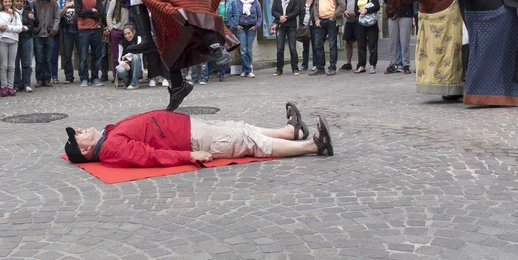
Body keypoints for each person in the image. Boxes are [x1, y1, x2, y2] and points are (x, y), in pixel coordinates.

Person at [64, 103, 333, 167]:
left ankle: (291, 132)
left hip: (186, 128)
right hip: (188, 139)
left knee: (240, 128)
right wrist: (188, 155)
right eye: (78, 136)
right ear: (86, 151)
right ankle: (313, 146)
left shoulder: (108, 137)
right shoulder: (110, 148)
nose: (80, 130)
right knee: (246, 142)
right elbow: (149, 156)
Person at [310, 0, 346, 76]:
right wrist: (316, 18)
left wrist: (334, 16)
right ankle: (320, 67)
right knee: (317, 44)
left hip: (331, 20)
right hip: (321, 20)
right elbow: (316, 6)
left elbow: (342, 5)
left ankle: (332, 67)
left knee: (332, 44)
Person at [384, 0, 414, 75]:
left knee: (404, 40)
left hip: (406, 12)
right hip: (393, 13)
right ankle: (392, 63)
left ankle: (406, 64)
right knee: (393, 40)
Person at [75, 0, 104, 87]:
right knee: (83, 57)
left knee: (97, 56)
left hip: (96, 29)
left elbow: (100, 14)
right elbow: (79, 13)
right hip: (83, 30)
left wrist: (87, 12)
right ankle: (84, 78)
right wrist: (92, 10)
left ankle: (95, 77)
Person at [0, 0, 28, 97]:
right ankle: (3, 87)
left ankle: (10, 87)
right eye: (5, 2)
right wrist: (11, 25)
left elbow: (19, 28)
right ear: (2, 3)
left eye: (9, 1)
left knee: (12, 65)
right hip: (3, 40)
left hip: (14, 40)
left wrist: (11, 23)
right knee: (4, 65)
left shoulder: (16, 14)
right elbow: (1, 26)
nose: (8, 4)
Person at [32, 0, 60, 88]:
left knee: (48, 58)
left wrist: (54, 30)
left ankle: (47, 78)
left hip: (49, 34)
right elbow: (31, 17)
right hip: (38, 34)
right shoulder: (34, 2)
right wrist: (35, 29)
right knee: (39, 59)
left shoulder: (53, 2)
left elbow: (57, 17)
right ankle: (39, 79)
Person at [272, 0, 301, 76]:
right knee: (280, 48)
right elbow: (273, 10)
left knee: (292, 48)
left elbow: (297, 11)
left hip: (291, 26)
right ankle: (279, 69)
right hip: (281, 25)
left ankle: (295, 68)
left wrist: (287, 17)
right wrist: (280, 17)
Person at [381, 0, 404, 71]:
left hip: (403, 10)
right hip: (392, 10)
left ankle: (401, 62)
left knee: (402, 38)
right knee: (394, 38)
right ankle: (394, 62)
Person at [353, 0, 380, 74]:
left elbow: (376, 6)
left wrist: (366, 10)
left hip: (371, 23)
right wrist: (359, 11)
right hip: (360, 23)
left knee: (372, 44)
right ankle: (361, 65)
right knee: (361, 45)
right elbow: (355, 10)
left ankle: (373, 65)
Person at [236, 0, 263, 78]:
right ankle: (247, 70)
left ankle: (247, 70)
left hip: (251, 28)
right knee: (243, 50)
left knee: (248, 49)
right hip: (241, 28)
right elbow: (234, 15)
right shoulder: (238, 2)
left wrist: (256, 26)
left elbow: (260, 16)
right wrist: (236, 25)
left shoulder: (255, 2)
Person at [13, 0, 37, 93]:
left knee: (26, 62)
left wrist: (24, 27)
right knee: (15, 62)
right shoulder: (10, 12)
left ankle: (26, 83)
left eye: (21, 1)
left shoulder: (28, 11)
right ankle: (17, 84)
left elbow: (33, 25)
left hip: (26, 38)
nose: (19, 3)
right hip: (14, 38)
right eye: (17, 1)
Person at [341, 0, 364, 71]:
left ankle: (360, 63)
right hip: (349, 20)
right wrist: (345, 12)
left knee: (360, 43)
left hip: (359, 20)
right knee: (348, 41)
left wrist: (356, 13)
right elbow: (344, 3)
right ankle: (348, 62)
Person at [57, 0, 78, 84]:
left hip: (79, 29)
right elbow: (59, 15)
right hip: (66, 29)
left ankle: (84, 76)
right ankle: (69, 77)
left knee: (82, 53)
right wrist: (66, 6)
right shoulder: (59, 2)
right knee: (67, 55)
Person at [106, 0, 129, 78]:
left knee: (128, 54)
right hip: (117, 31)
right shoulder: (116, 0)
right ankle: (116, 76)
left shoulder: (133, 0)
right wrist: (111, 28)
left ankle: (128, 75)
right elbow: (109, 15)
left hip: (129, 32)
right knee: (116, 54)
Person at [115, 24, 144, 89]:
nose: (127, 36)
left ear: (133, 32)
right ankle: (129, 83)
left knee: (135, 57)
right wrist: (123, 63)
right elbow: (119, 59)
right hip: (127, 66)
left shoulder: (139, 39)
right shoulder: (121, 43)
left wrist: (127, 55)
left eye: (129, 33)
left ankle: (134, 84)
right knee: (119, 70)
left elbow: (138, 52)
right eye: (125, 34)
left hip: (137, 67)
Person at [299, 0, 317, 71]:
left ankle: (315, 64)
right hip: (304, 26)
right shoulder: (302, 1)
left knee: (315, 46)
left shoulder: (317, 1)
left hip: (313, 25)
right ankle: (304, 64)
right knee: (305, 47)